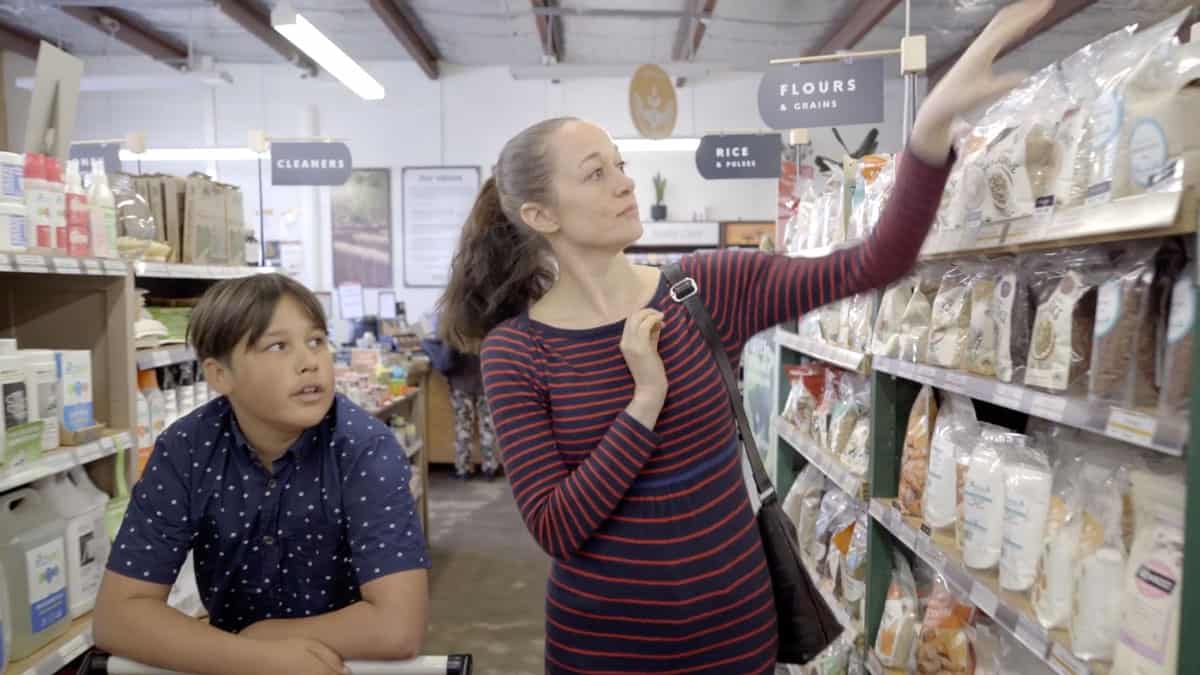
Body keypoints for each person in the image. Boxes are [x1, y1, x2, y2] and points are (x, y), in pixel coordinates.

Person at [436, 2, 1049, 672]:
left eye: (619, 163)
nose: (624, 182)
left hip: (737, 634)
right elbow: (557, 525)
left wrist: (930, 131)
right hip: (602, 650)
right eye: (596, 173)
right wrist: (644, 401)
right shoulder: (518, 351)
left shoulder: (705, 289)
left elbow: (873, 262)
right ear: (538, 213)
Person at [94, 274, 431, 675]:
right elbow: (118, 615)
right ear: (220, 375)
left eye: (316, 340)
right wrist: (256, 658)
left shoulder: (364, 449)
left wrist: (266, 636)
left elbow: (397, 627)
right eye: (277, 346)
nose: (310, 362)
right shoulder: (186, 450)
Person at [421, 326, 501, 479]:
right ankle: (490, 468)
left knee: (463, 427)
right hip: (485, 382)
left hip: (461, 384)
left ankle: (463, 469)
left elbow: (445, 360)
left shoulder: (457, 324)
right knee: (488, 428)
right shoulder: (488, 323)